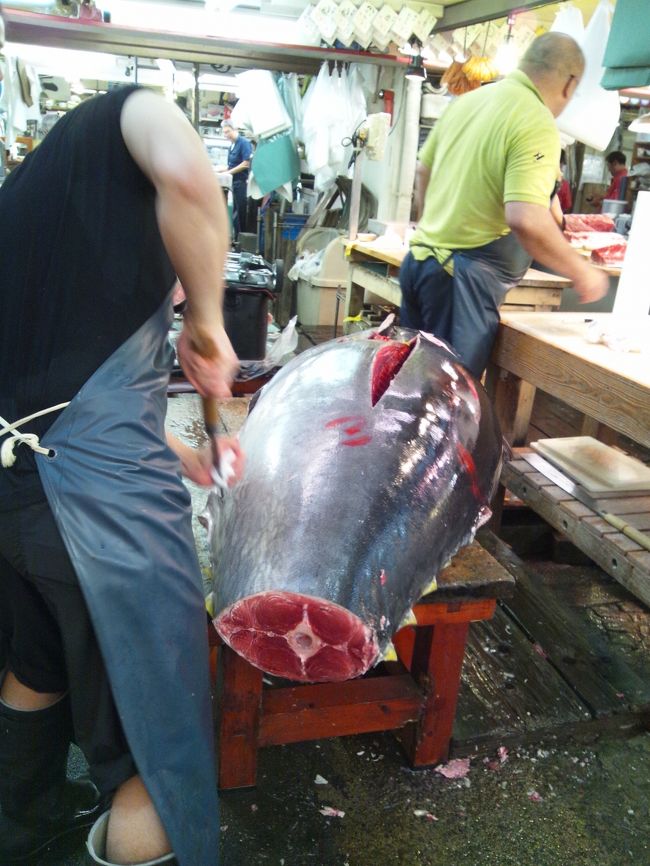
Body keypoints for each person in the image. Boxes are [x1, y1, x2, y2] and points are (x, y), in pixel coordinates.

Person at [0, 35, 245, 866]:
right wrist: (207, 320)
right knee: (154, 750)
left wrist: (184, 451)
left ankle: (21, 831)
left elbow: (68, 403)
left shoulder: (33, 201)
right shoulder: (129, 117)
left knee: (37, 665)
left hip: (16, 501)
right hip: (97, 526)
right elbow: (186, 175)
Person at [399, 32, 609, 377]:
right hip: (458, 282)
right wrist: (582, 271)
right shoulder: (536, 119)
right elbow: (526, 218)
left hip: (419, 265)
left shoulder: (467, 102)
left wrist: (433, 226)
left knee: (414, 388)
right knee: (450, 402)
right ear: (570, 84)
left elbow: (424, 171)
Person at [218, 118, 253, 240]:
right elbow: (230, 166)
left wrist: (228, 173)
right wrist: (220, 171)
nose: (225, 135)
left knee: (241, 213)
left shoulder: (244, 143)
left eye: (228, 132)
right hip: (233, 184)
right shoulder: (231, 147)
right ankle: (236, 238)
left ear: (235, 130)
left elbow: (246, 163)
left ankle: (243, 240)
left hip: (241, 183)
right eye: (224, 132)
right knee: (235, 214)